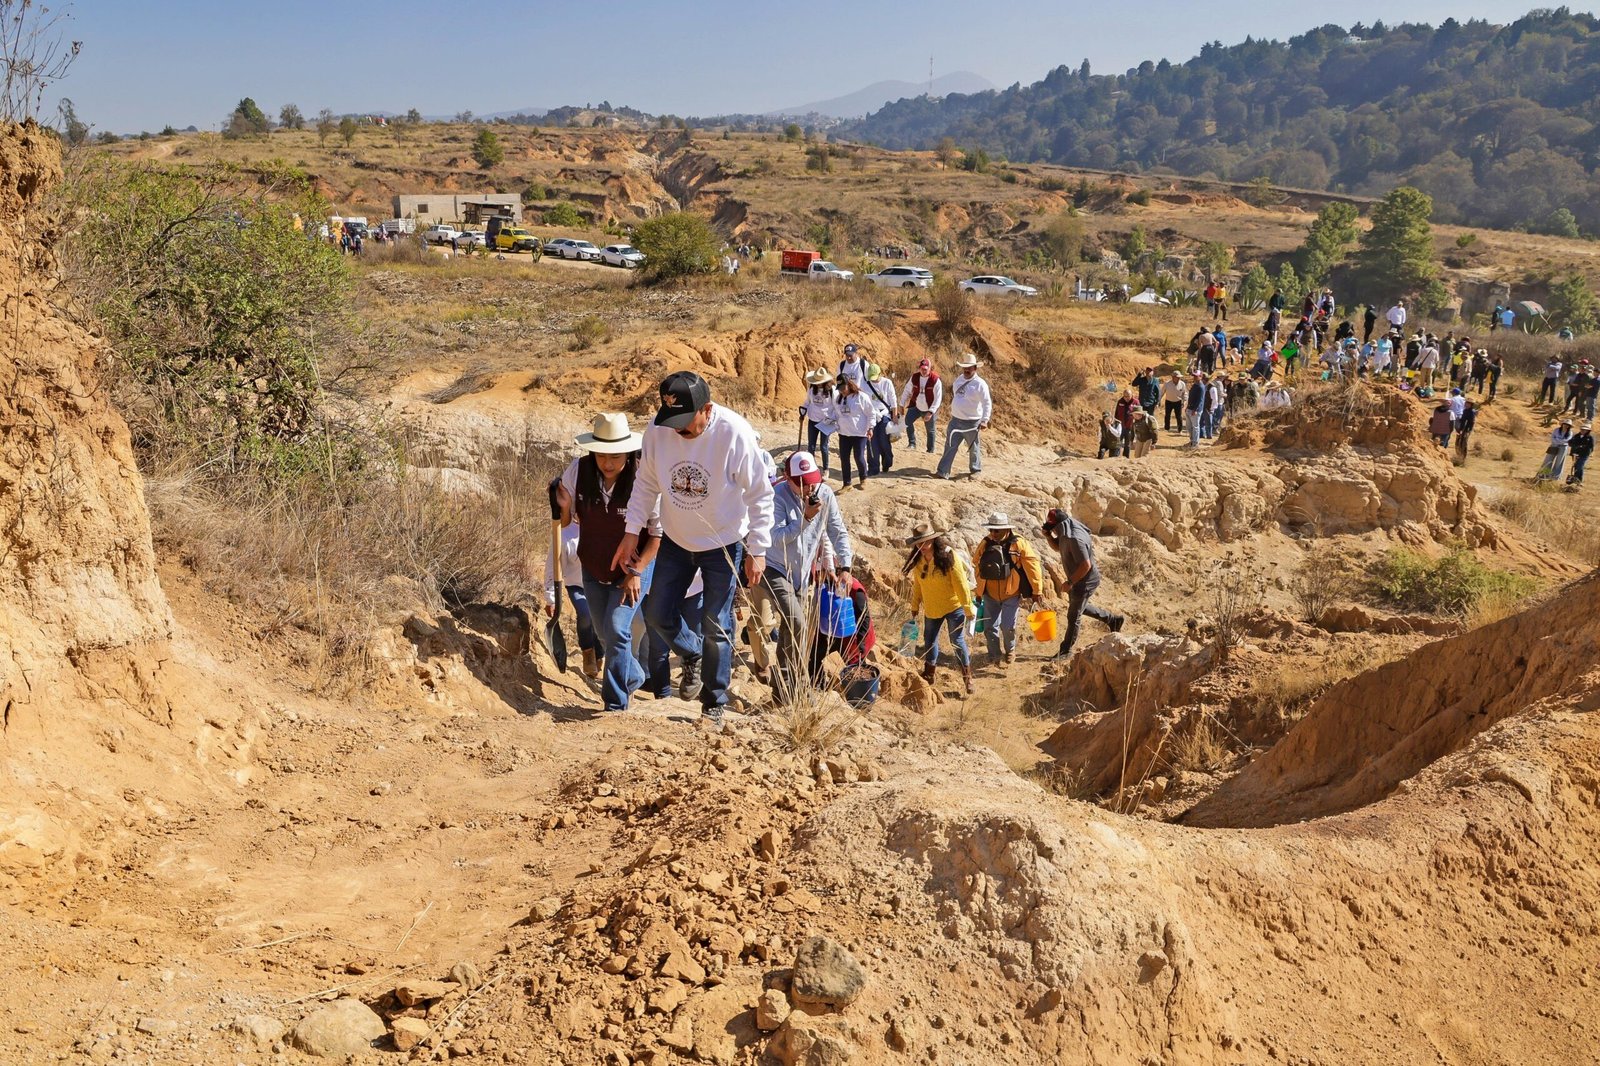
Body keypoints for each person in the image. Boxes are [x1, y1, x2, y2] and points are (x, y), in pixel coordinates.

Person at [616, 371, 774, 728]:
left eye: (686, 423)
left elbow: (760, 495)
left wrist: (758, 549)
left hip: (723, 542)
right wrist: (631, 532)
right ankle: (692, 654)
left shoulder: (734, 434)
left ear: (707, 409)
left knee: (717, 624)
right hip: (674, 538)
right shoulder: (659, 432)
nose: (678, 430)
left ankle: (713, 703)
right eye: (672, 421)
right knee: (656, 614)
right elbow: (646, 486)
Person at [556, 413, 663, 712]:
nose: (608, 463)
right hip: (593, 564)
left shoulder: (644, 476)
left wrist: (636, 572)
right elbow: (567, 522)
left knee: (617, 628)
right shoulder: (578, 470)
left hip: (634, 566)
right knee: (605, 633)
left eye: (616, 455)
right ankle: (635, 675)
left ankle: (615, 704)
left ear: (628, 452)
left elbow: (657, 535)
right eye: (602, 455)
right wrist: (564, 506)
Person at [755, 450, 851, 703]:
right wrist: (806, 519)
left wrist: (845, 566)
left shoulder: (825, 494)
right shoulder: (776, 497)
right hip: (775, 567)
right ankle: (795, 683)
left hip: (802, 572)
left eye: (813, 480)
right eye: (804, 482)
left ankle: (783, 690)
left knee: (793, 627)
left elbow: (837, 530)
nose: (810, 487)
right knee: (797, 622)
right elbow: (775, 538)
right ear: (789, 478)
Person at [1042, 506, 1124, 661]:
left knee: (1073, 615)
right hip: (1079, 579)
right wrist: (1048, 537)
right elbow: (1058, 547)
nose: (1053, 532)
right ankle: (1113, 620)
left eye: (1054, 529)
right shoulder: (1065, 531)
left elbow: (1085, 565)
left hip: (1085, 580)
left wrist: (1070, 582)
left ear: (1060, 526)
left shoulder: (1075, 538)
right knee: (1079, 606)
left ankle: (1065, 651)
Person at [904, 522, 976, 693]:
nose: (921, 546)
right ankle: (929, 674)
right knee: (929, 641)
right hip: (931, 609)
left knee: (957, 642)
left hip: (953, 607)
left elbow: (960, 584)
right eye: (918, 543)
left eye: (925, 542)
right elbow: (918, 586)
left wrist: (968, 608)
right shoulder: (918, 561)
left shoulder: (948, 557)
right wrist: (914, 605)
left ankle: (967, 678)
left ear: (933, 540)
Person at [971, 512, 1045, 669]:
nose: (993, 533)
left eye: (996, 530)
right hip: (990, 594)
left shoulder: (1019, 544)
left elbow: (1032, 567)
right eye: (991, 530)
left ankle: (1010, 650)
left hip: (1011, 593)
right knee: (989, 627)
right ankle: (994, 655)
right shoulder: (985, 544)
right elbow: (977, 566)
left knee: (1007, 626)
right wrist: (978, 592)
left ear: (1006, 529)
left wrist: (1037, 590)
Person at [545, 500, 602, 680]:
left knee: (601, 621)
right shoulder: (564, 535)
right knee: (586, 614)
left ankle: (600, 654)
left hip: (600, 586)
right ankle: (588, 653)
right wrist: (551, 598)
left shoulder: (603, 532)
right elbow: (552, 567)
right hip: (576, 585)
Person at [935, 352, 992, 480]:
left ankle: (975, 469)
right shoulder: (959, 379)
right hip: (955, 420)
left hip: (972, 422)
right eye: (965, 367)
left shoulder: (980, 384)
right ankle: (943, 471)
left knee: (974, 447)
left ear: (975, 368)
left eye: (969, 367)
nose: (966, 369)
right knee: (950, 445)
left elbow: (986, 402)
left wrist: (985, 420)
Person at [810, 573, 874, 682]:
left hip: (853, 637)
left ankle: (860, 693)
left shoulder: (853, 589)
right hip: (829, 631)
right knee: (814, 656)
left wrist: (861, 642)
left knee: (856, 669)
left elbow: (864, 617)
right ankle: (818, 685)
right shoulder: (822, 587)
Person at [832, 373, 875, 491]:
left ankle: (863, 478)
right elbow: (836, 414)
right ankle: (847, 483)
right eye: (839, 389)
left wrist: (870, 428)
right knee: (844, 458)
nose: (842, 391)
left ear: (849, 384)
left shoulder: (861, 396)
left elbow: (871, 413)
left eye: (843, 388)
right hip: (844, 433)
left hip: (859, 433)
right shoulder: (838, 399)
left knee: (858, 456)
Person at [899, 357, 943, 452]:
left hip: (929, 408)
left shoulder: (935, 380)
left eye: (925, 369)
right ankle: (912, 443)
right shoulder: (914, 377)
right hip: (916, 406)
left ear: (930, 368)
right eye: (922, 368)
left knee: (930, 430)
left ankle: (930, 450)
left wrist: (931, 412)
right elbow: (907, 390)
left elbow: (938, 398)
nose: (923, 371)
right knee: (907, 422)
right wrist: (901, 404)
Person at [864, 362, 899, 477]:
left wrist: (894, 416)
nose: (874, 380)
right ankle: (873, 467)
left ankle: (887, 462)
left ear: (880, 374)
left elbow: (893, 400)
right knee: (872, 442)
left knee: (884, 441)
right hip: (871, 415)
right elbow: (865, 402)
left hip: (884, 415)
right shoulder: (866, 385)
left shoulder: (887, 383)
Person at [800, 368, 836, 474]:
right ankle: (812, 467)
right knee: (811, 445)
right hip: (813, 420)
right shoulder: (812, 389)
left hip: (826, 422)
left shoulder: (832, 390)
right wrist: (803, 412)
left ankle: (825, 469)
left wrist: (832, 419)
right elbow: (807, 402)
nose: (818, 384)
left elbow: (836, 406)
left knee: (823, 446)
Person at [1184, 372, 1207, 447]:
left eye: (1196, 376)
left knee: (1195, 427)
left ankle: (1195, 443)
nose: (1194, 377)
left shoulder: (1201, 387)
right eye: (1194, 376)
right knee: (1189, 426)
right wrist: (1187, 406)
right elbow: (1191, 397)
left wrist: (1195, 410)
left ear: (1200, 376)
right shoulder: (1195, 385)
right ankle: (1192, 441)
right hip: (1190, 408)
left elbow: (1200, 400)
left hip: (1195, 410)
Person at [1113, 388, 1138, 458]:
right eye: (1125, 396)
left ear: (1131, 395)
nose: (1126, 398)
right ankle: (1115, 457)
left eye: (1128, 396)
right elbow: (1116, 413)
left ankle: (1126, 457)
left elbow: (1139, 413)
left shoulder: (1135, 402)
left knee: (1128, 443)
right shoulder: (1120, 401)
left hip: (1130, 426)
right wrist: (1116, 423)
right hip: (1120, 425)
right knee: (1118, 442)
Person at [1454, 399, 1477, 463]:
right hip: (1461, 429)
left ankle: (1462, 458)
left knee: (1463, 443)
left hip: (1466, 430)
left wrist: (1467, 431)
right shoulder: (1465, 411)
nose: (1465, 404)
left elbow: (1471, 422)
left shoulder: (1471, 412)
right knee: (1458, 442)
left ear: (1470, 405)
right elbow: (1463, 420)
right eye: (1466, 403)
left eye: (1467, 403)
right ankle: (1458, 455)